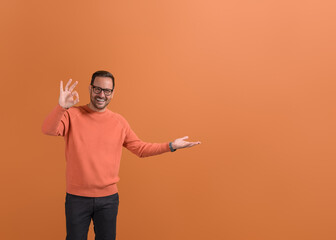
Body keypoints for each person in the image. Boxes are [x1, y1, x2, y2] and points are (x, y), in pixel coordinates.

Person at [42, 70, 201, 240]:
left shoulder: (119, 122)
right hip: (77, 198)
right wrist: (61, 107)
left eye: (107, 91)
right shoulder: (72, 114)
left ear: (112, 93)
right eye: (97, 89)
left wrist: (171, 146)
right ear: (90, 88)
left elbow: (140, 149)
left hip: (108, 200)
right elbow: (48, 129)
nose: (101, 95)